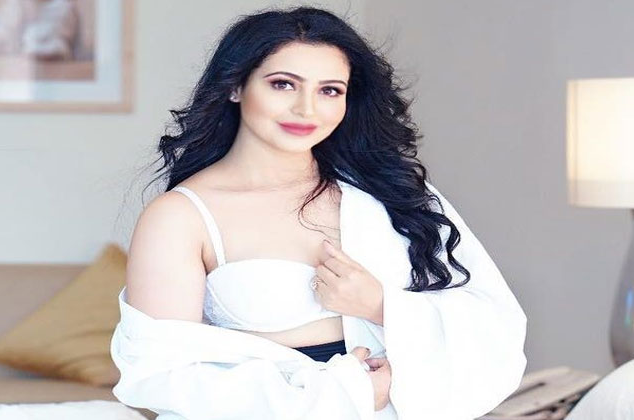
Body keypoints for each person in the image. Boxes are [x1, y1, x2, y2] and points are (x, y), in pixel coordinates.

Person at [111, 6, 527, 420]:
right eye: (283, 84)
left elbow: (495, 322)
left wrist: (381, 305)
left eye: (330, 90)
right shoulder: (179, 217)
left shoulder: (390, 193)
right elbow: (159, 374)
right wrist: (344, 392)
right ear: (235, 86)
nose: (306, 109)